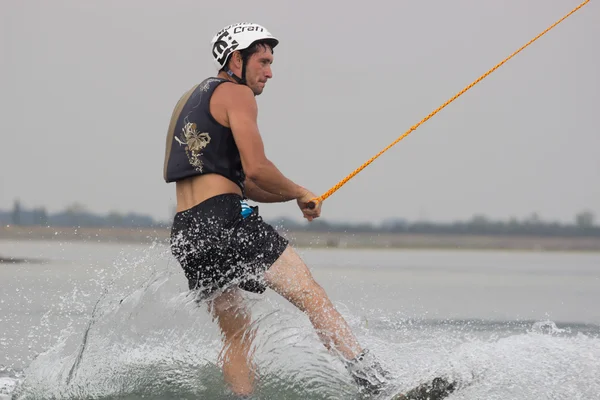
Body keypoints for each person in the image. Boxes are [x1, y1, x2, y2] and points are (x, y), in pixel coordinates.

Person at [164, 22, 452, 399]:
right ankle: (377, 386)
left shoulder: (188, 102)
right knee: (312, 296)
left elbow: (238, 182)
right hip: (225, 219)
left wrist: (291, 198)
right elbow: (256, 168)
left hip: (188, 232)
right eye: (263, 61)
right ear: (237, 59)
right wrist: (301, 190)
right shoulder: (237, 95)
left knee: (237, 335)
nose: (270, 72)